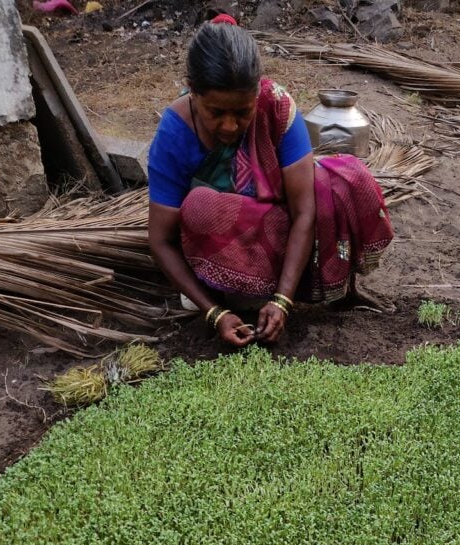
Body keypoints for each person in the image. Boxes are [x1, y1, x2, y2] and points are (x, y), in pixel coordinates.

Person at [147, 15, 394, 346]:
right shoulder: (174, 132)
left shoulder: (275, 106)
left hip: (282, 228)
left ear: (257, 92)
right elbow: (160, 239)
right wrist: (213, 312)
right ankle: (230, 294)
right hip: (225, 242)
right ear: (193, 92)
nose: (231, 126)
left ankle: (318, 288)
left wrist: (282, 301)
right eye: (216, 113)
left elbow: (305, 211)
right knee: (201, 207)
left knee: (342, 181)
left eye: (243, 112)